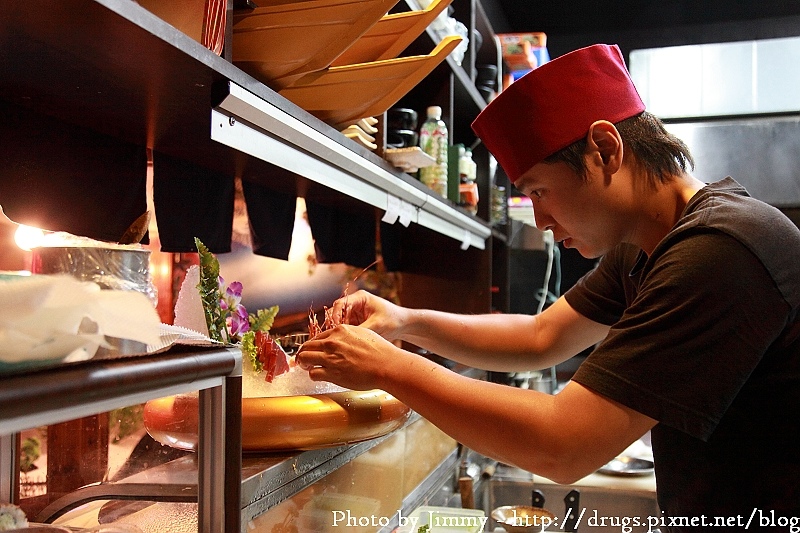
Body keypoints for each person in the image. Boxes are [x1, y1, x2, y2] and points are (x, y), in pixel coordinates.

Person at [297, 44, 800, 530]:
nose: (539, 220)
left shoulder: (722, 248)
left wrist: (389, 367)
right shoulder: (646, 247)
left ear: (605, 150)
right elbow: (541, 337)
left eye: (540, 190)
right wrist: (404, 321)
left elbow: (563, 444)